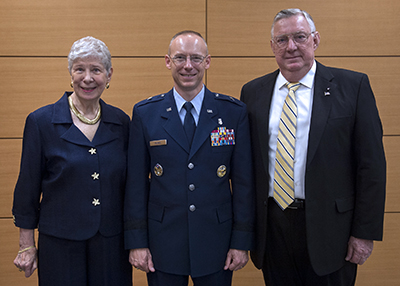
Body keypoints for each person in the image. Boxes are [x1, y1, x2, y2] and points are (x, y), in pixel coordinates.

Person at [240, 8, 386, 286]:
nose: (291, 46)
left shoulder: (352, 87)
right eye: (282, 40)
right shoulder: (253, 92)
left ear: (315, 40)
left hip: (333, 231)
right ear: (272, 47)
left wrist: (364, 233)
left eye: (300, 37)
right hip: (273, 229)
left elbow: (372, 167)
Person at [124, 30, 255, 286]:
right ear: (167, 61)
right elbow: (136, 185)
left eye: (196, 58)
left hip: (216, 240)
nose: (188, 66)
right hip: (163, 240)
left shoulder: (232, 112)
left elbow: (244, 184)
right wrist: (137, 242)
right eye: (180, 58)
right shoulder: (146, 113)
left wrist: (241, 241)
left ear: (207, 62)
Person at [12, 36, 132, 286]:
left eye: (96, 70)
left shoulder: (121, 123)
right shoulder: (41, 122)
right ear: (70, 73)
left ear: (109, 75)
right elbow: (27, 188)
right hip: (59, 243)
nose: (87, 78)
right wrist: (26, 245)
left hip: (112, 243)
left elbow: (132, 187)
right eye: (80, 69)